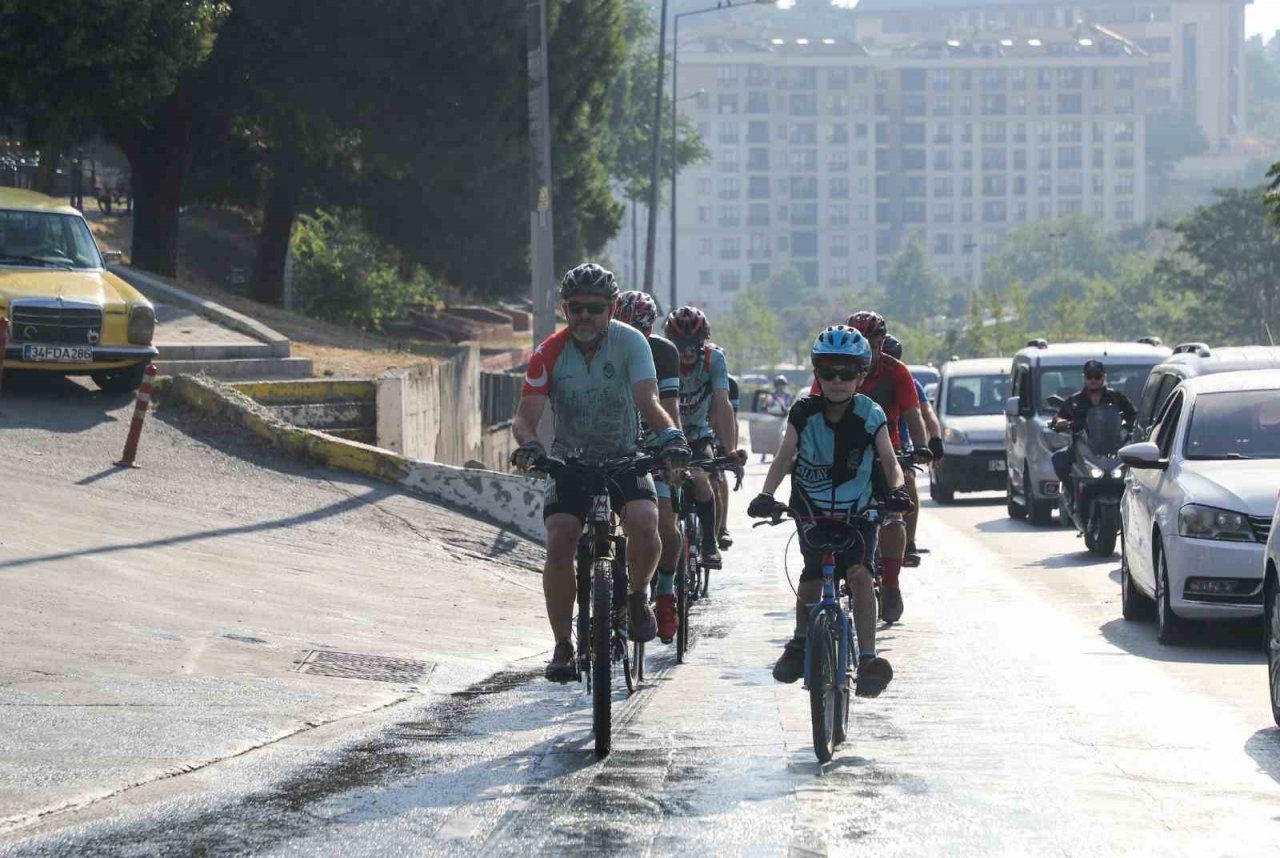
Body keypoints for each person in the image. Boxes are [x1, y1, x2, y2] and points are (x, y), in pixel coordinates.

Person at [511, 265, 690, 682]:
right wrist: (531, 448)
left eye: (595, 308)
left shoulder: (631, 344)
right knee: (560, 539)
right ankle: (561, 646)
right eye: (576, 309)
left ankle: (637, 596)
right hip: (569, 461)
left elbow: (649, 401)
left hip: (624, 455)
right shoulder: (548, 353)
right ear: (564, 309)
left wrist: (671, 438)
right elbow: (524, 419)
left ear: (611, 309)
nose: (585, 317)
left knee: (647, 526)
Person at [748, 325, 913, 697]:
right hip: (812, 510)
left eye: (847, 372)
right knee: (810, 576)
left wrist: (899, 491)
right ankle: (800, 641)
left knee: (858, 574)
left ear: (862, 374)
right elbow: (784, 456)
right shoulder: (803, 412)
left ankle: (869, 657)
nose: (837, 381)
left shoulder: (870, 414)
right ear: (816, 373)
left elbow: (889, 461)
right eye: (828, 372)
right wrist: (765, 494)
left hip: (859, 512)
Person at [838, 311, 934, 624]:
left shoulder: (897, 372)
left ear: (882, 342)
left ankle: (891, 583)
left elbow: (913, 415)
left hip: (887, 451)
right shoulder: (834, 369)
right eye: (860, 343)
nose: (868, 350)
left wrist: (920, 448)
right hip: (841, 453)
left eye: (873, 343)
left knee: (897, 502)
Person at [613, 290, 684, 643]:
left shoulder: (663, 352)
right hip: (612, 441)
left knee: (667, 524)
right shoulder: (601, 345)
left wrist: (676, 448)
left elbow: (669, 406)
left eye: (638, 328)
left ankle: (665, 593)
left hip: (652, 441)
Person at [665, 306, 739, 572]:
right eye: (680, 344)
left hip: (697, 436)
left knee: (700, 478)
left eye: (693, 344)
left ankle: (709, 543)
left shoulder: (713, 360)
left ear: (703, 342)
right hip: (665, 436)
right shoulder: (661, 359)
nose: (686, 351)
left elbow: (723, 404)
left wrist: (729, 450)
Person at [881, 335, 944, 559]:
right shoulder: (860, 379)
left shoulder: (907, 380)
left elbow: (926, 414)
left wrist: (934, 441)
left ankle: (909, 542)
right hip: (869, 443)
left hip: (900, 444)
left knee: (907, 481)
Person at [1050, 359, 1136, 492]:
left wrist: (1132, 426)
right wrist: (1059, 422)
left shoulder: (1116, 397)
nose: (1093, 380)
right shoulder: (1075, 401)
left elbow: (1133, 415)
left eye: (1097, 376)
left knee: (1140, 461)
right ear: (1084, 378)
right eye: (1090, 376)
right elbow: (1059, 418)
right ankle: (1071, 494)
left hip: (1114, 447)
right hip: (1083, 446)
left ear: (1104, 377)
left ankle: (1132, 500)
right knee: (1058, 459)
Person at [717, 369, 742, 550]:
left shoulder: (730, 384)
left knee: (718, 475)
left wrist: (731, 449)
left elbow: (733, 419)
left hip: (719, 434)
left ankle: (722, 527)